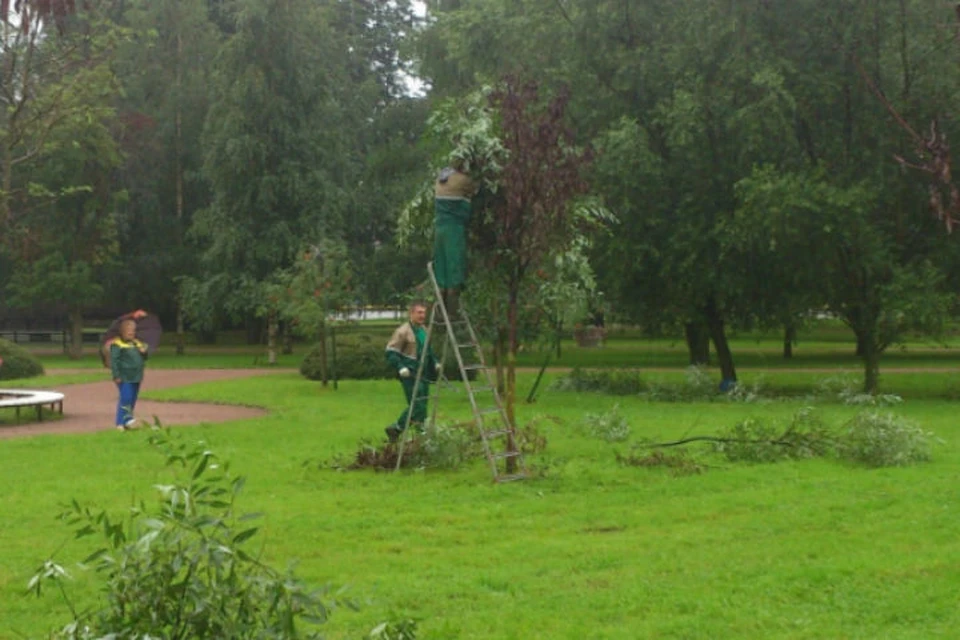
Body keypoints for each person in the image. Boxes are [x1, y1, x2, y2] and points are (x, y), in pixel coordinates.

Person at [384, 301, 441, 443]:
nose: (422, 315)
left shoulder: (424, 330)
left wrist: (435, 363)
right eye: (419, 312)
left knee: (423, 404)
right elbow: (390, 352)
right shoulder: (402, 331)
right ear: (412, 313)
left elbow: (428, 350)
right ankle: (397, 428)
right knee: (417, 405)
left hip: (424, 374)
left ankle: (417, 434)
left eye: (424, 312)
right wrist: (400, 367)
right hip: (410, 374)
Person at [434, 162, 477, 317]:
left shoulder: (440, 179)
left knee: (442, 270)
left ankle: (440, 311)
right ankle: (452, 312)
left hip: (439, 231)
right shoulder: (462, 180)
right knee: (455, 268)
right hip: (454, 231)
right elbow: (474, 188)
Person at [110, 318, 148, 430]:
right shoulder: (117, 344)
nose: (131, 332)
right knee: (125, 398)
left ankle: (128, 420)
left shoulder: (137, 343)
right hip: (125, 376)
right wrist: (116, 375)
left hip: (136, 376)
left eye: (133, 330)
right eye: (129, 330)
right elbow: (114, 361)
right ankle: (120, 422)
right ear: (122, 331)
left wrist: (144, 352)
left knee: (132, 398)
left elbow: (144, 357)